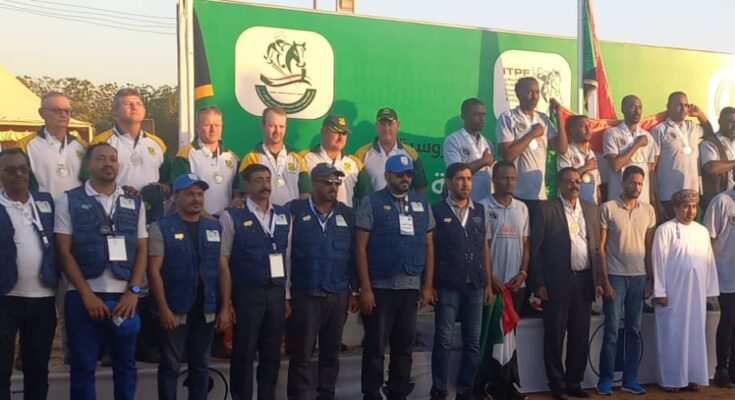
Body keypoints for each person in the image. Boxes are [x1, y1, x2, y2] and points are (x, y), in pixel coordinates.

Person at [54, 143, 148, 399]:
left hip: (124, 297)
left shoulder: (134, 201)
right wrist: (86, 294)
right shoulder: (68, 199)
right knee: (83, 365)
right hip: (82, 296)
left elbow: (142, 248)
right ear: (88, 164)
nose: (108, 164)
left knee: (125, 364)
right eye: (101, 158)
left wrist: (134, 291)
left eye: (113, 159)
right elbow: (64, 251)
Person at [355, 154, 435, 399]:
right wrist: (365, 288)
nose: (405, 178)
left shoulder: (421, 203)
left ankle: (398, 392)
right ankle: (372, 393)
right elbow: (360, 247)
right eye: (399, 174)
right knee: (375, 347)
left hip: (410, 288)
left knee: (404, 347)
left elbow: (429, 246)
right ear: (387, 175)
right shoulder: (371, 202)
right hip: (380, 288)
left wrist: (427, 286)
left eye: (409, 174)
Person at [147, 173, 232, 400]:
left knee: (201, 365)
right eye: (190, 194)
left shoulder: (214, 227)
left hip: (206, 309)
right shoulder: (160, 227)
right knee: (170, 365)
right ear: (176, 197)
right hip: (175, 309)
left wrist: (225, 307)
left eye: (200, 194)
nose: (196, 199)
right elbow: (154, 271)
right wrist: (163, 309)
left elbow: (223, 270)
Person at [220, 163, 290, 400]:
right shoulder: (232, 215)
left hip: (276, 292)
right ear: (247, 184)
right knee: (244, 352)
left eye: (267, 179)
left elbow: (288, 256)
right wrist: (227, 300)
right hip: (247, 292)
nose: (265, 185)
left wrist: (286, 294)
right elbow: (223, 260)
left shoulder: (283, 214)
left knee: (272, 353)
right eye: (258, 180)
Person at [286, 163, 356, 400]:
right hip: (306, 294)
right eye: (327, 182)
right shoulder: (294, 210)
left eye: (336, 183)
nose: (333, 187)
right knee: (301, 355)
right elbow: (286, 253)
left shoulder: (348, 214)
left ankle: (326, 395)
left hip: (337, 295)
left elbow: (355, 255)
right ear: (314, 184)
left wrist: (355, 291)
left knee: (331, 355)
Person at [530, 167, 600, 400]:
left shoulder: (590, 209)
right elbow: (536, 249)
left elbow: (596, 248)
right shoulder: (546, 209)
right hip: (556, 282)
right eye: (569, 181)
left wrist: (598, 280)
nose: (574, 185)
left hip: (584, 281)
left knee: (580, 335)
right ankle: (557, 384)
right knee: (555, 335)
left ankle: (574, 382)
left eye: (578, 181)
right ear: (559, 184)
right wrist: (539, 282)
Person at [429, 163, 492, 400]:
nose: (465, 183)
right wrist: (430, 285)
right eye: (459, 179)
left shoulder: (480, 210)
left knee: (473, 342)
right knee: (443, 340)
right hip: (447, 285)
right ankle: (439, 389)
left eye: (468, 179)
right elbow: (430, 249)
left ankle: (465, 390)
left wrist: (487, 283)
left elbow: (484, 248)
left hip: (475, 285)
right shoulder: (436, 210)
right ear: (448, 182)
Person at [0, 149, 59, 400]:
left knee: (37, 369)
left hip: (43, 299)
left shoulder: (47, 202)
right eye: (11, 170)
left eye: (23, 169)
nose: (18, 174)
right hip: (5, 297)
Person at [595, 166, 656, 396]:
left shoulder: (648, 211)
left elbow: (649, 248)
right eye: (632, 182)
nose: (636, 187)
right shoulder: (608, 208)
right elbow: (600, 248)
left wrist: (651, 279)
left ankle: (630, 379)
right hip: (615, 276)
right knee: (611, 330)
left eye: (640, 183)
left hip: (639, 277)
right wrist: (605, 280)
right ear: (622, 183)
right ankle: (605, 380)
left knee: (634, 330)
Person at [652, 189, 719, 392]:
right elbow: (658, 261)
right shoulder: (665, 230)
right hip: (673, 293)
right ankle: (672, 380)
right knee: (673, 334)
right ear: (675, 208)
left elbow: (709, 260)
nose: (690, 211)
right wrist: (660, 291)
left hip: (696, 294)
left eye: (693, 206)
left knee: (694, 335)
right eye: (686, 207)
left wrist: (709, 290)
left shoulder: (702, 231)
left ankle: (692, 377)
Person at [476, 161, 530, 400]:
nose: (509, 182)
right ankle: (484, 386)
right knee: (488, 338)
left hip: (515, 286)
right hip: (492, 287)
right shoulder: (482, 207)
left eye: (513, 178)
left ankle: (506, 386)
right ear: (494, 180)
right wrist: (490, 278)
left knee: (510, 338)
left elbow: (526, 244)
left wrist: (523, 273)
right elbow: (481, 247)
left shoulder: (522, 208)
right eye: (504, 178)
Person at [497, 77, 567, 207]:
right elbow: (507, 156)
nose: (534, 97)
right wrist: (532, 134)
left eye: (537, 92)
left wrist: (558, 116)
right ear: (518, 94)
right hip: (516, 194)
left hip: (539, 195)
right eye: (529, 92)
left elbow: (562, 148)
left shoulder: (543, 118)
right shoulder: (508, 117)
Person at [90, 88, 170, 197]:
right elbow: (88, 181)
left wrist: (161, 189)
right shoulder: (100, 143)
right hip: (112, 204)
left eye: (138, 104)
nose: (134, 107)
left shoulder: (158, 143)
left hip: (152, 207)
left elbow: (168, 182)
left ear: (144, 110)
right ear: (115, 111)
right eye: (128, 104)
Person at [16, 92, 87, 198]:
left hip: (76, 207)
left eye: (67, 111)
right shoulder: (24, 146)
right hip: (42, 207)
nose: (63, 115)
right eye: (57, 110)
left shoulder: (82, 146)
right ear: (41, 113)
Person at [171, 106, 240, 216]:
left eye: (217, 125)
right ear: (197, 127)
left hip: (226, 221)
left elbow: (237, 194)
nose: (213, 130)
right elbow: (181, 197)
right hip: (196, 220)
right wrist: (208, 219)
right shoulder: (185, 156)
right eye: (207, 125)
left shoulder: (232, 157)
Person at [651, 91, 708, 220]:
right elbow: (651, 168)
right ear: (668, 107)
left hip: (692, 196)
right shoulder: (659, 130)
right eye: (678, 105)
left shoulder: (692, 127)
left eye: (686, 105)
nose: (683, 109)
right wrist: (656, 201)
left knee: (689, 232)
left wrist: (700, 114)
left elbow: (709, 132)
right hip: (669, 197)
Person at [238, 106, 309, 206]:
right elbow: (244, 196)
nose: (277, 131)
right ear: (263, 125)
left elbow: (305, 194)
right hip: (263, 215)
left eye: (281, 126)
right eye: (272, 126)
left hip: (291, 215)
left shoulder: (297, 158)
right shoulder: (251, 158)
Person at [300, 113, 372, 207]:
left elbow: (367, 199)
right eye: (336, 132)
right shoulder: (303, 158)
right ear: (323, 131)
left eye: (344, 133)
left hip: (346, 216)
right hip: (313, 216)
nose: (340, 138)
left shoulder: (355, 164)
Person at [703, 186, 735, 387]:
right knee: (728, 319)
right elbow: (707, 238)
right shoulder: (721, 201)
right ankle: (721, 369)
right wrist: (708, 272)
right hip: (724, 274)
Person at [355, 108, 429, 195]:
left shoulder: (411, 154)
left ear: (398, 125)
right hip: (371, 203)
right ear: (376, 125)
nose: (386, 128)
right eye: (383, 124)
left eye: (390, 124)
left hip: (402, 203)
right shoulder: (361, 154)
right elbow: (356, 187)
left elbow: (421, 187)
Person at [603, 95, 658, 205]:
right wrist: (637, 144)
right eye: (633, 107)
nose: (637, 111)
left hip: (642, 200)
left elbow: (651, 170)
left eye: (640, 107)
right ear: (623, 109)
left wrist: (653, 199)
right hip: (619, 199)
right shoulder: (612, 133)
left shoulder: (647, 136)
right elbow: (615, 165)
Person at [443, 99, 495, 201]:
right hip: (461, 201)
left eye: (483, 114)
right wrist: (482, 161)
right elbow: (455, 173)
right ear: (464, 116)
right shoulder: (453, 140)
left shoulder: (488, 144)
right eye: (476, 114)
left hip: (484, 201)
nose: (482, 119)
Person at [556, 115, 601, 205]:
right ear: (572, 130)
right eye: (583, 126)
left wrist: (599, 205)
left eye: (589, 126)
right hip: (571, 205)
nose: (588, 130)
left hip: (591, 206)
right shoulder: (566, 151)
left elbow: (597, 185)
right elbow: (565, 178)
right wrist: (586, 167)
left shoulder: (591, 153)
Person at [700, 107, 735, 210]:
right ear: (720, 121)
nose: (734, 126)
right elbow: (710, 168)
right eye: (730, 122)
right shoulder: (710, 142)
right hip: (718, 201)